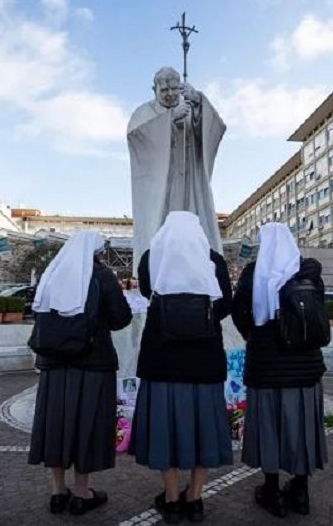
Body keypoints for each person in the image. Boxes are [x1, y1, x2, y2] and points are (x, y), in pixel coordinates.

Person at [129, 211, 233, 524]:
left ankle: (172, 498)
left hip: (161, 361)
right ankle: (195, 497)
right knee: (204, 431)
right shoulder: (214, 260)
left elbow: (147, 293)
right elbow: (224, 305)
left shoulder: (151, 258)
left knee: (165, 431)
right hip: (205, 362)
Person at [27, 231, 132, 516]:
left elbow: (37, 311)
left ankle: (58, 491)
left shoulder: (52, 274)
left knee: (56, 424)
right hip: (92, 364)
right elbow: (120, 318)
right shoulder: (102, 276)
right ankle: (82, 492)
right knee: (87, 425)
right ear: (97, 251)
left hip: (53, 364)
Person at [232, 223, 328, 518]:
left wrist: (256, 335)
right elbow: (318, 312)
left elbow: (240, 314)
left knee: (269, 429)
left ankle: (272, 491)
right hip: (305, 368)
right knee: (303, 429)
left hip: (266, 368)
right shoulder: (308, 271)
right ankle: (300, 491)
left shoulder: (253, 273)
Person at [127, 67, 226, 274]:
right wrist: (170, 119)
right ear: (154, 89)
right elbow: (137, 137)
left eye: (174, 88)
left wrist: (198, 102)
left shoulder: (188, 105)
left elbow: (215, 129)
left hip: (189, 182)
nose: (171, 94)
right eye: (164, 90)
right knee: (162, 228)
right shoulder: (143, 112)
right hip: (163, 185)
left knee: (192, 223)